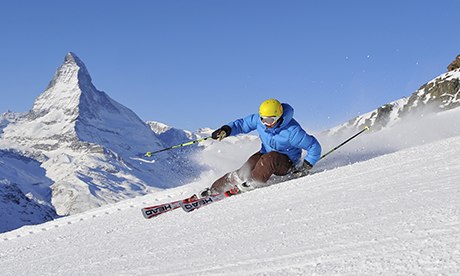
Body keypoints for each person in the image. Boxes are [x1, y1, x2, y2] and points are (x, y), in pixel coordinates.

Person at [200, 98, 321, 197]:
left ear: (279, 117)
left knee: (271, 158)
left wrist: (305, 167)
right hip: (265, 154)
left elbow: (314, 146)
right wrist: (226, 130)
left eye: (270, 120)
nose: (265, 123)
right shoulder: (260, 121)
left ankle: (253, 183)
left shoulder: (292, 131)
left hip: (287, 163)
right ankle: (216, 189)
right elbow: (242, 124)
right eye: (263, 119)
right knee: (249, 165)